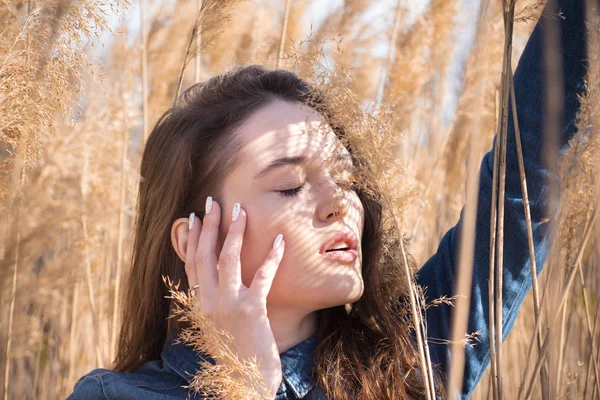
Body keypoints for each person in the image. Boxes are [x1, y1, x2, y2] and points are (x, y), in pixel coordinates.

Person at [66, 0, 590, 397]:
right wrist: (247, 385)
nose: (340, 203)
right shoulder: (113, 395)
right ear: (196, 237)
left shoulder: (413, 354)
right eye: (290, 185)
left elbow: (525, 180)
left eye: (345, 177)